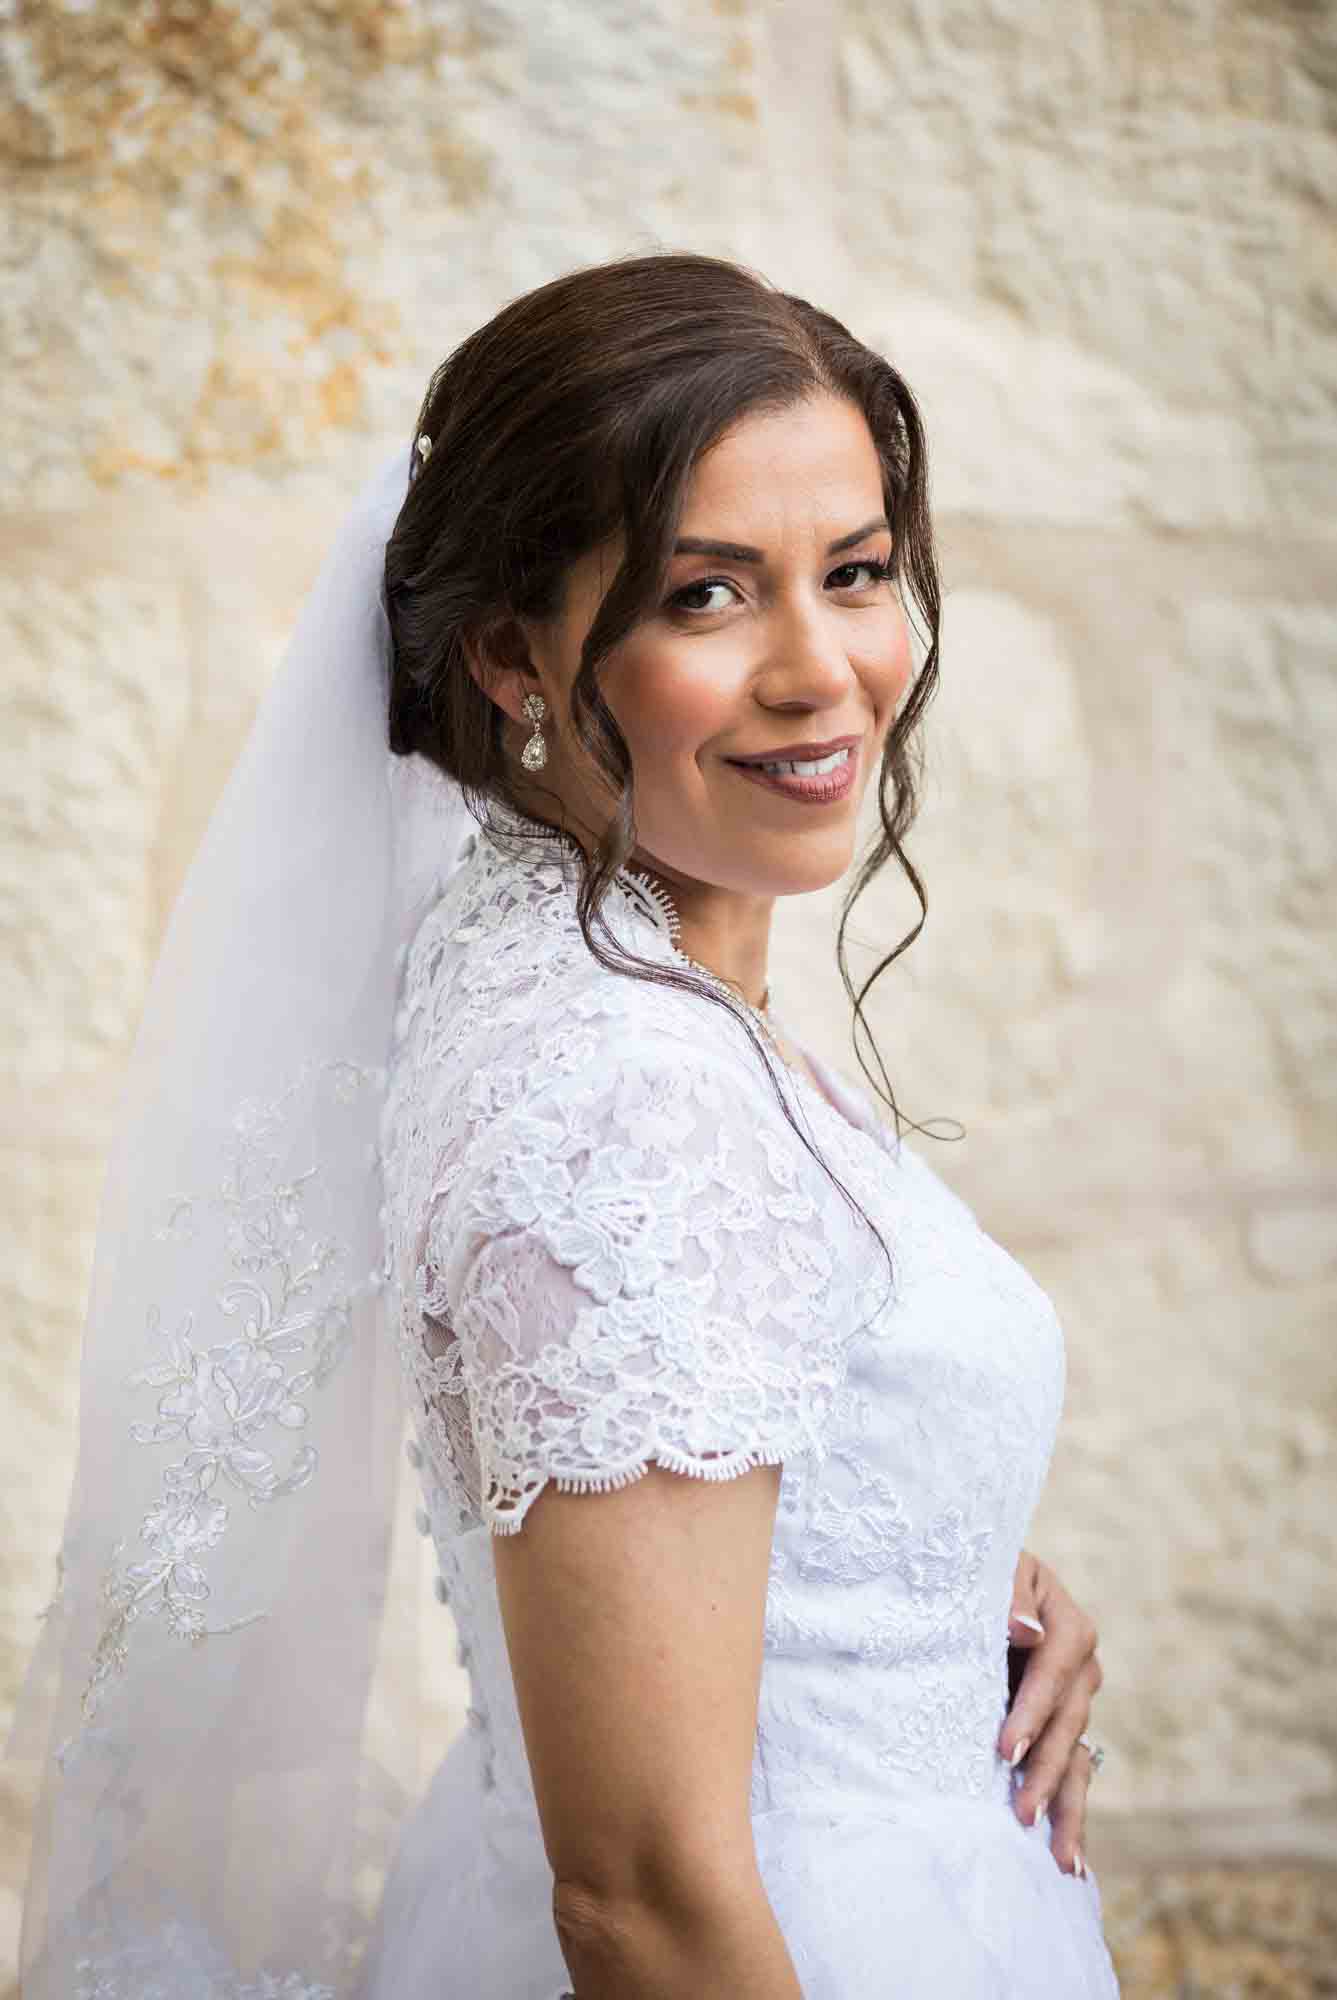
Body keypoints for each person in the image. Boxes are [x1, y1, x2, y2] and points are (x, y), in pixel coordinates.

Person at [7, 250, 1117, 1998]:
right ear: (517, 657)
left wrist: (937, 1575)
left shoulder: (551, 943)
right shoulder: (624, 1100)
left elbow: (708, 1427)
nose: (818, 671)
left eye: (855, 573)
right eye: (706, 597)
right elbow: (646, 1896)